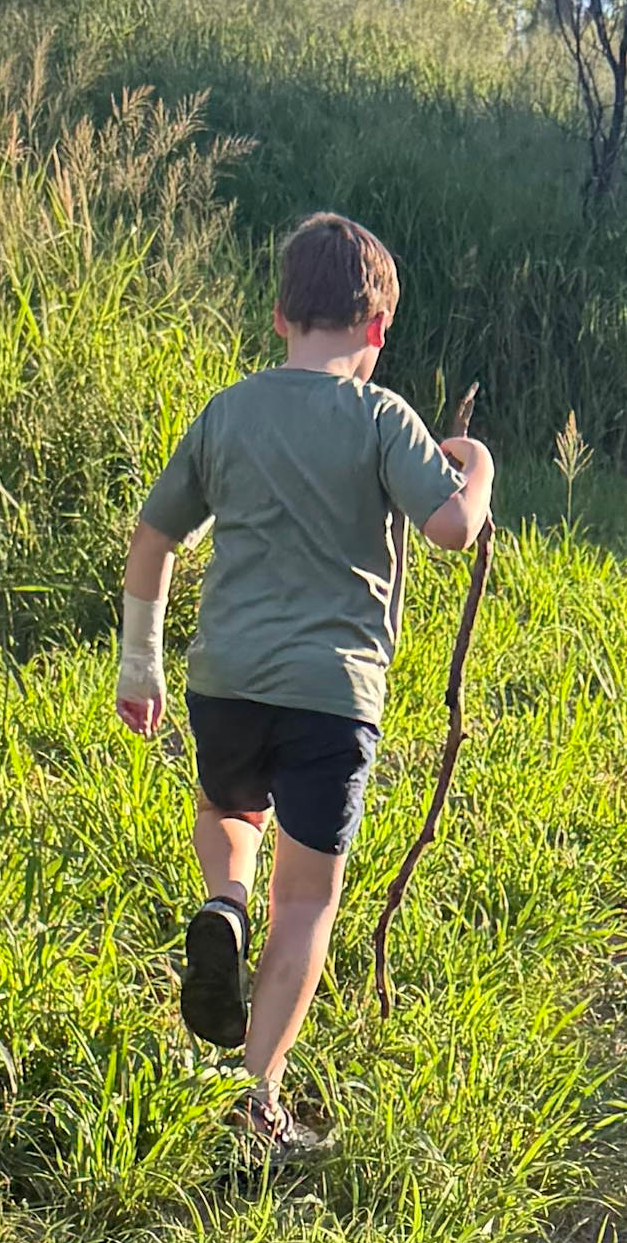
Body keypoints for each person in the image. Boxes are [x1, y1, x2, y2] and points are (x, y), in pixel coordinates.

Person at [115, 212, 497, 1163]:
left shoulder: (229, 412)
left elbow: (154, 536)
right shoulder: (382, 417)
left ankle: (221, 903)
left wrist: (140, 662)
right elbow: (451, 530)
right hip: (334, 695)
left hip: (226, 680)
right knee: (310, 901)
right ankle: (258, 1101)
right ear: (377, 331)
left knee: (228, 808)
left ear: (280, 314)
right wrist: (478, 467)